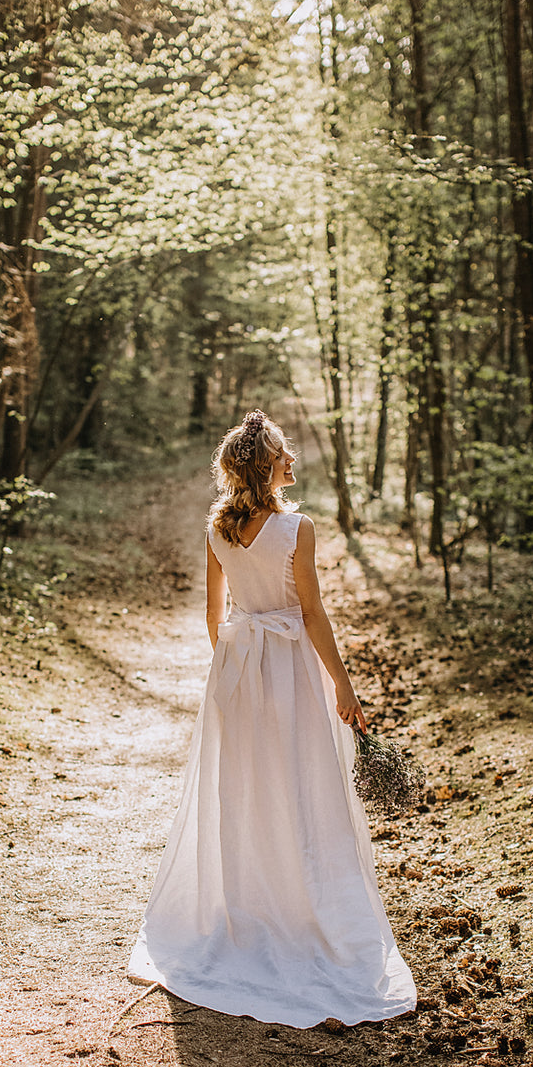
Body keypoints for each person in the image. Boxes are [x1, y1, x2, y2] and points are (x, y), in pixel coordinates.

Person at [128, 410, 416, 1028]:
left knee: (246, 793)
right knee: (303, 789)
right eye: (284, 455)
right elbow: (312, 614)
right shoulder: (297, 530)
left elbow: (214, 617)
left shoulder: (218, 529)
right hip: (291, 673)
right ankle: (301, 908)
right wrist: (343, 685)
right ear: (266, 467)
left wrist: (235, 672)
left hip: (236, 674)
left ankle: (250, 910)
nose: (292, 462)